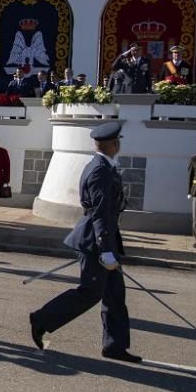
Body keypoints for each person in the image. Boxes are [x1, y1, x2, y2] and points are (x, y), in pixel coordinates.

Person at [29, 121, 140, 363]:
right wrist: (105, 249)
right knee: (90, 293)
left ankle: (114, 346)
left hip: (105, 238)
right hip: (95, 240)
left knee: (114, 295)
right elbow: (100, 212)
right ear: (111, 144)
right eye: (117, 140)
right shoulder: (100, 169)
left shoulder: (105, 166)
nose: (119, 143)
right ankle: (41, 319)